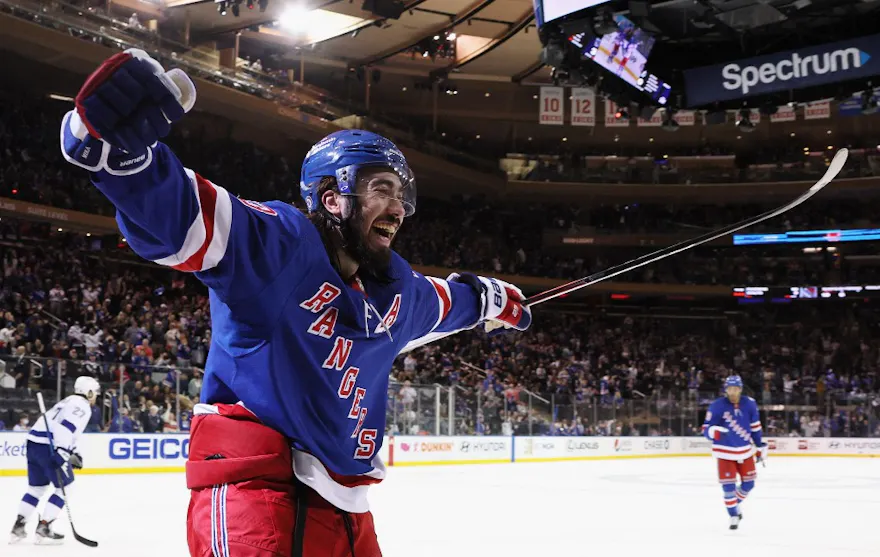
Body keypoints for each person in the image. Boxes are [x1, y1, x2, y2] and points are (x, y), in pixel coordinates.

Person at [59, 48, 532, 556]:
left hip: (347, 510)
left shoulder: (399, 290)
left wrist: (490, 298)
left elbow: (450, 301)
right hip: (254, 497)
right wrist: (124, 163)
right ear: (332, 198)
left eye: (402, 194)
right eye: (382, 189)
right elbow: (185, 217)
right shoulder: (282, 246)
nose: (399, 207)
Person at [9, 376, 99, 545]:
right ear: (88, 392)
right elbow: (66, 428)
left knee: (36, 489)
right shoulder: (82, 405)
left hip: (34, 444)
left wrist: (74, 452)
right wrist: (64, 452)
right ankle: (44, 528)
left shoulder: (68, 401)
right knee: (67, 487)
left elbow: (62, 428)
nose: (95, 396)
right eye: (94, 393)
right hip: (48, 448)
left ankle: (18, 528)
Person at [701, 375, 766, 530]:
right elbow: (705, 429)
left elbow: (755, 426)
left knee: (749, 484)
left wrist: (760, 445)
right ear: (726, 389)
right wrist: (714, 431)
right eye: (730, 388)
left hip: (745, 451)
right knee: (728, 488)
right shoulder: (716, 406)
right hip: (724, 453)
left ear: (741, 389)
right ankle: (733, 515)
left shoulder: (750, 404)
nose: (733, 392)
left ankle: (733, 504)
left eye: (735, 388)